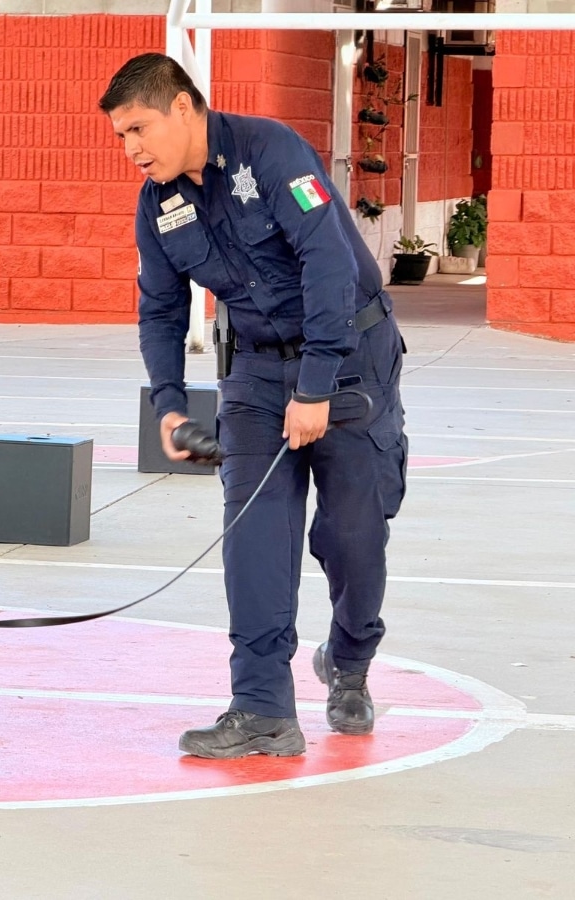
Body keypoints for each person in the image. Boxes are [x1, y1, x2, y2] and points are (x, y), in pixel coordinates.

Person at [100, 53, 408, 758]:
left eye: (138, 129)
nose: (131, 150)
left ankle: (350, 658)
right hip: (255, 376)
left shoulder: (271, 154)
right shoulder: (160, 205)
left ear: (183, 107)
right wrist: (171, 406)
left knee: (353, 536)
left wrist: (315, 388)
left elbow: (328, 261)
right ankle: (263, 707)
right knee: (254, 537)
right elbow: (160, 309)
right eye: (121, 137)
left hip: (350, 360)